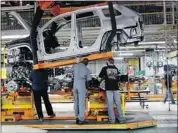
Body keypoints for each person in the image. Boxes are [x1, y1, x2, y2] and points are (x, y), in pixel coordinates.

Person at [99, 58, 126, 124]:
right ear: (113, 62)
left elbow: (100, 76)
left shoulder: (105, 68)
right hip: (116, 88)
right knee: (118, 103)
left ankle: (112, 120)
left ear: (107, 62)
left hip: (109, 89)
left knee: (110, 104)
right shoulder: (116, 68)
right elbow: (119, 77)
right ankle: (121, 119)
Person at [67, 58, 92, 125]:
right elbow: (89, 80)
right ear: (87, 63)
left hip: (75, 84)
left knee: (76, 101)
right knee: (81, 102)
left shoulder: (75, 66)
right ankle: (81, 119)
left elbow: (68, 71)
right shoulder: (86, 69)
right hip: (81, 84)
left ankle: (77, 118)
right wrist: (87, 89)